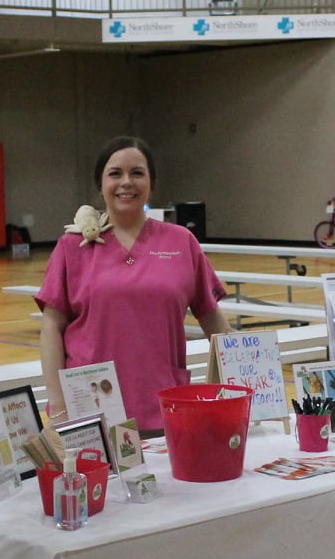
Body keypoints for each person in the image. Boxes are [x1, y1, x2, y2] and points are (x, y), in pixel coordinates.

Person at [37, 136, 229, 432]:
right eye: (115, 174)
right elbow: (51, 327)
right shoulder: (71, 246)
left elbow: (211, 317)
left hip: (164, 409)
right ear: (100, 185)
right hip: (89, 414)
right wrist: (59, 405)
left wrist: (249, 370)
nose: (126, 182)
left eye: (137, 173)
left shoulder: (181, 241)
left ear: (152, 182)